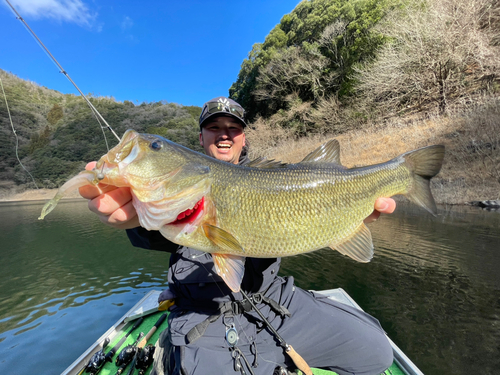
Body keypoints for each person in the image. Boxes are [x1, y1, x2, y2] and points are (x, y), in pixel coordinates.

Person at [80, 97, 396, 375]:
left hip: (275, 302)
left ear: (243, 138)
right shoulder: (180, 187)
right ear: (201, 137)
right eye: (215, 127)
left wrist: (344, 213)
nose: (225, 134)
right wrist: (135, 216)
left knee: (377, 351)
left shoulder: (272, 173)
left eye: (233, 128)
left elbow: (312, 186)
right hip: (204, 320)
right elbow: (151, 230)